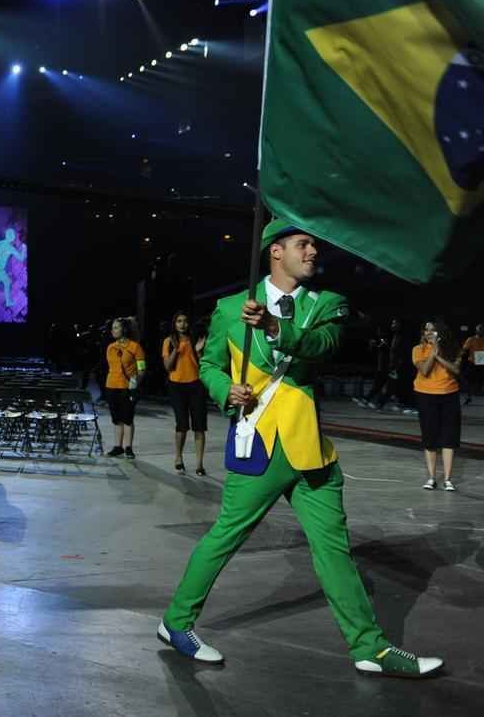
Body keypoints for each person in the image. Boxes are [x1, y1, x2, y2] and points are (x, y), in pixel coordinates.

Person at [158, 219, 443, 678]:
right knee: (224, 538)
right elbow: (210, 362)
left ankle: (369, 647)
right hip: (261, 446)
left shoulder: (327, 304)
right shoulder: (231, 308)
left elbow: (322, 346)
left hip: (312, 451)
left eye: (313, 244)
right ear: (275, 250)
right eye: (303, 243)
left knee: (335, 550)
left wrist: (273, 326)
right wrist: (224, 388)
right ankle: (176, 622)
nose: (313, 252)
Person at [412, 321, 461, 491]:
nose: (428, 332)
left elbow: (456, 369)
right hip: (426, 395)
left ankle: (448, 479)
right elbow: (424, 370)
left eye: (432, 330)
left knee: (449, 437)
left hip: (449, 395)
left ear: (440, 332)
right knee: (430, 437)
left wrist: (439, 353)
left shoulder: (453, 349)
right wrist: (433, 351)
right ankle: (432, 477)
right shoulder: (418, 349)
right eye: (426, 329)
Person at [163, 312, 208, 475]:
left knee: (199, 426)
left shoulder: (196, 340)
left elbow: (204, 366)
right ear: (174, 324)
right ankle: (178, 458)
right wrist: (175, 350)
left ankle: (199, 464)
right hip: (176, 386)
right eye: (179, 321)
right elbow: (167, 367)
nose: (182, 324)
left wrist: (199, 352)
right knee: (182, 425)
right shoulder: (168, 341)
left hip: (196, 385)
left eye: (185, 321)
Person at [104, 317, 145, 459]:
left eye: (116, 327)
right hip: (111, 386)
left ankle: (128, 447)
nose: (113, 330)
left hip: (127, 388)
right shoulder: (110, 347)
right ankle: (118, 446)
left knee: (127, 417)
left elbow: (142, 368)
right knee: (116, 418)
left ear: (124, 329)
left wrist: (136, 381)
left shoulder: (135, 347)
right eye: (113, 328)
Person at [460, 323, 484, 405]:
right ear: (476, 330)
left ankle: (478, 391)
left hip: (482, 362)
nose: (480, 330)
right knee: (467, 380)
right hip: (472, 362)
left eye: (482, 329)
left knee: (480, 381)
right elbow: (464, 350)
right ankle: (468, 397)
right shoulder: (471, 339)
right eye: (479, 329)